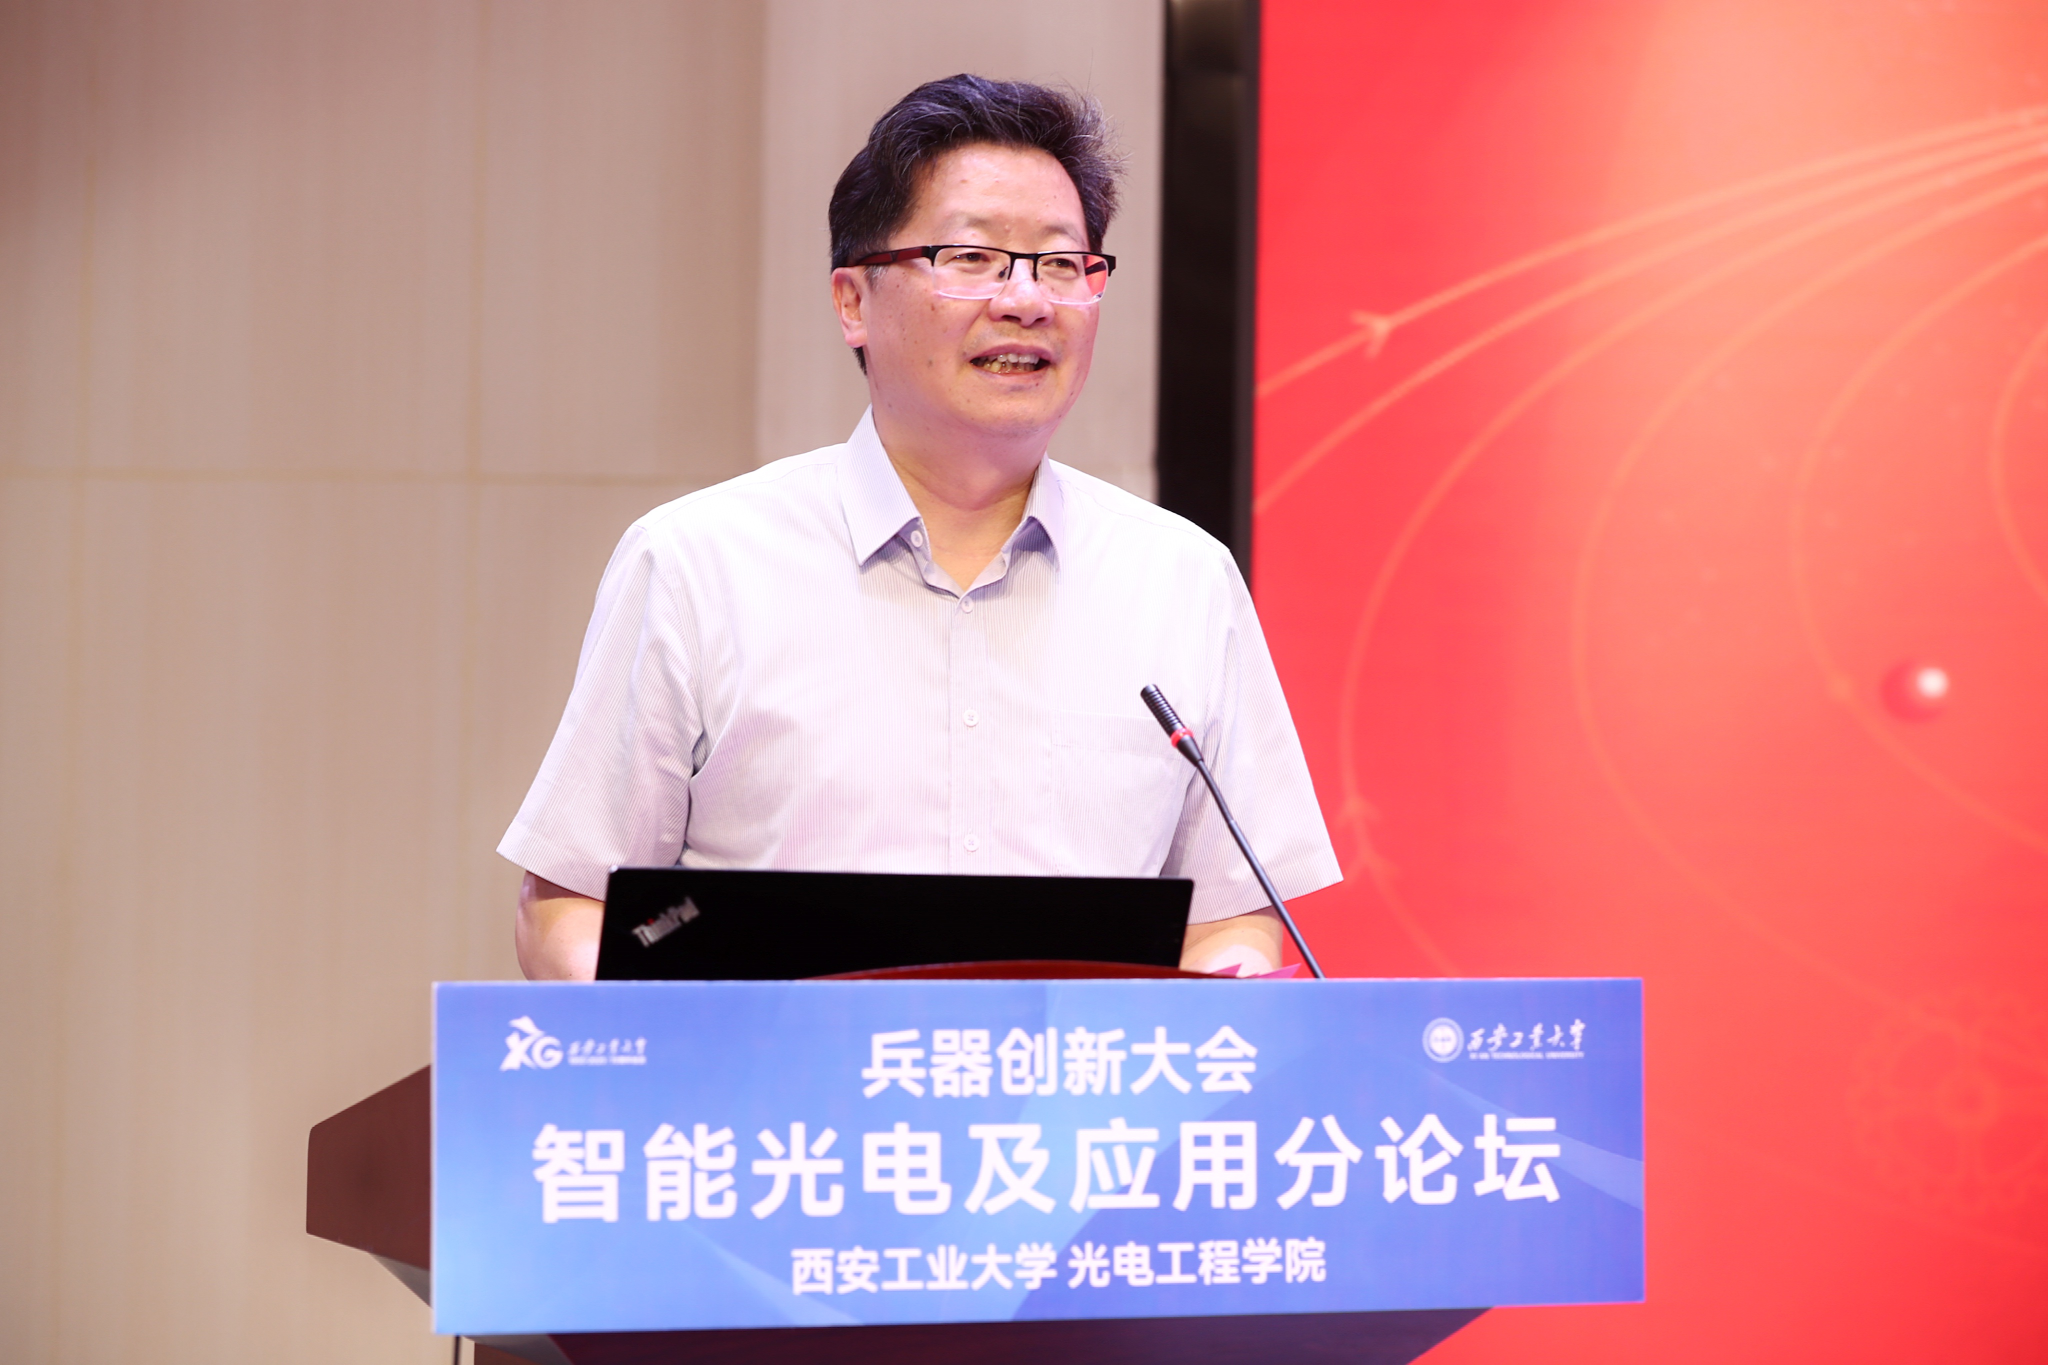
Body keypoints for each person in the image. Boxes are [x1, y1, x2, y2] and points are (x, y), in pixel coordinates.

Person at [502, 74, 1337, 981]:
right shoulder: (698, 563)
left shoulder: (1181, 579)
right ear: (853, 301)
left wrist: (1225, 989)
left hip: (1076, 1077)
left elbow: (1232, 919)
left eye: (1063, 264)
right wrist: (682, 1050)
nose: (1027, 300)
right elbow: (571, 904)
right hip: (776, 1076)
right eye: (972, 257)